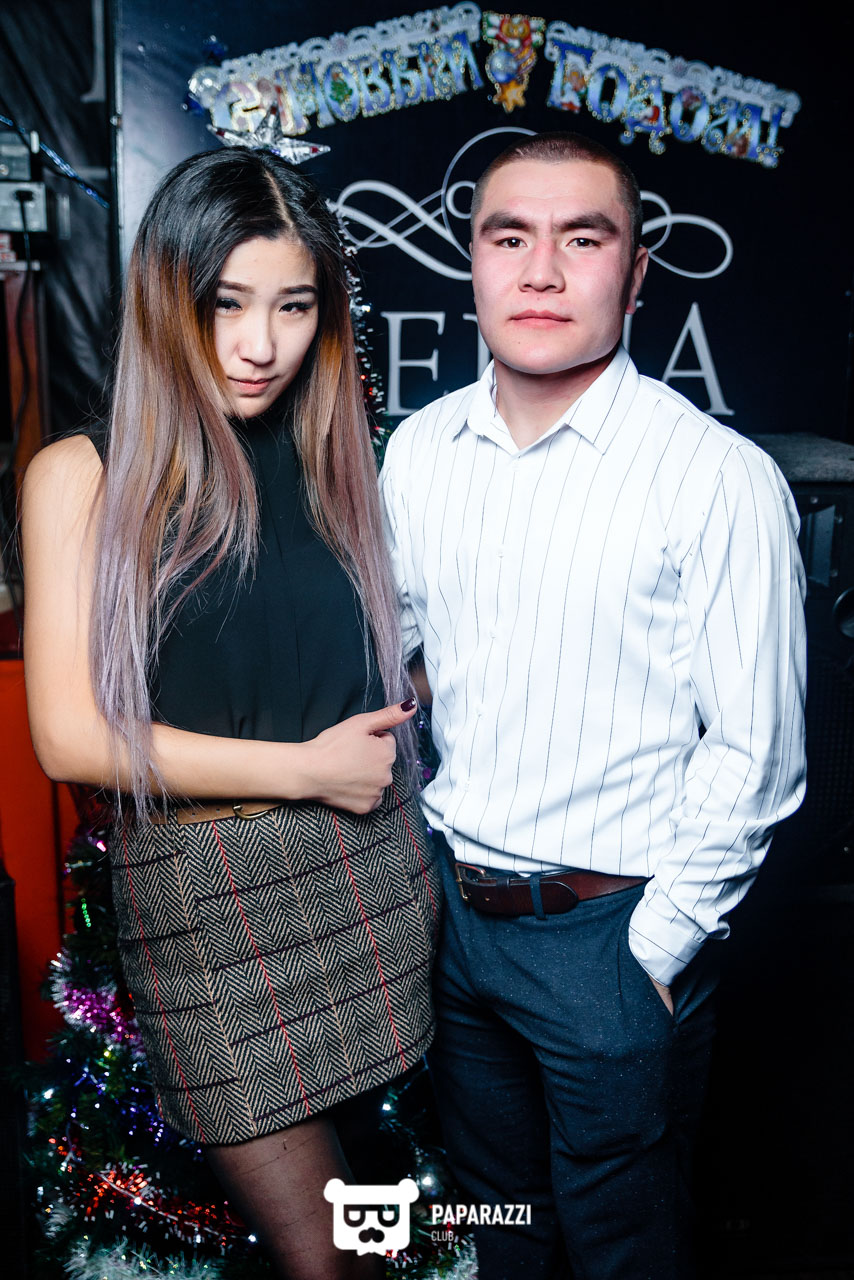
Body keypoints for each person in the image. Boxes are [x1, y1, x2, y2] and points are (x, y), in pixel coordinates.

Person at [379, 131, 806, 1280]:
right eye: (508, 236)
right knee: (496, 1230)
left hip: (609, 934)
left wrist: (652, 954)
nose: (540, 270)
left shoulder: (711, 475)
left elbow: (758, 754)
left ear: (634, 269)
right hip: (455, 922)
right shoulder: (419, 451)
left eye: (582, 238)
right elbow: (405, 659)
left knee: (624, 1249)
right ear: (472, 259)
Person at [22, 146, 441, 1280]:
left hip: (368, 881)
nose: (260, 343)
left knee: (378, 1238)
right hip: (207, 909)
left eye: (293, 305)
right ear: (170, 296)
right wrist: (305, 768)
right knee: (325, 1262)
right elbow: (70, 736)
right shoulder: (84, 475)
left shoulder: (337, 461)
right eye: (227, 302)